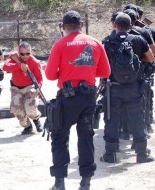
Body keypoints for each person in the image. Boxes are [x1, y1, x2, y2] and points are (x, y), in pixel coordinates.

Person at [45, 10, 111, 190]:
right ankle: (85, 183)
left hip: (67, 99)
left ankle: (59, 183)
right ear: (81, 25)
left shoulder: (60, 44)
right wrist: (87, 72)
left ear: (63, 27)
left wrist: (65, 73)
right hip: (88, 98)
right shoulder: (95, 43)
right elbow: (105, 72)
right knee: (86, 139)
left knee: (59, 139)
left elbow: (50, 75)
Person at [101, 13, 154, 164]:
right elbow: (151, 58)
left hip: (114, 88)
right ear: (131, 26)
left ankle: (110, 154)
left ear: (114, 25)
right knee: (137, 119)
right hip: (135, 87)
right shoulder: (138, 39)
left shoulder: (108, 42)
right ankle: (142, 154)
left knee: (112, 120)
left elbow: (102, 67)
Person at [3, 41, 43, 135]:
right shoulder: (13, 57)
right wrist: (19, 65)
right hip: (16, 88)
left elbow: (39, 78)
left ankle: (36, 119)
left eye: (27, 53)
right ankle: (28, 126)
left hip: (29, 87)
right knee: (17, 110)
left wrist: (38, 88)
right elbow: (5, 67)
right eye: (22, 54)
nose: (25, 56)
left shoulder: (34, 62)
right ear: (18, 52)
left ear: (31, 52)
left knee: (30, 108)